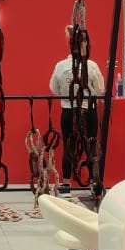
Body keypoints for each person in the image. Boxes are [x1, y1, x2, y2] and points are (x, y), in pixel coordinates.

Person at [49, 24, 106, 191]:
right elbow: (100, 90)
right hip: (88, 111)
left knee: (69, 146)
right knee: (91, 144)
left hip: (68, 111)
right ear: (84, 43)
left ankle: (66, 185)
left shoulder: (60, 66)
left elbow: (54, 90)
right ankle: (93, 184)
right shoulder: (92, 66)